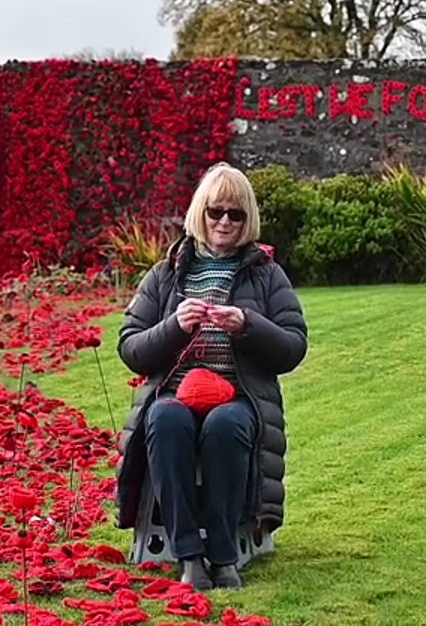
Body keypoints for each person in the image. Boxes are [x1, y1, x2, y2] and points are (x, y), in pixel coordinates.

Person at [114, 162, 308, 591]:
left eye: (235, 214)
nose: (224, 222)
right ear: (199, 213)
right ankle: (189, 556)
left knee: (225, 425)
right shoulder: (166, 272)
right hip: (173, 392)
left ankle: (223, 556)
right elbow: (130, 347)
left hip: (240, 396)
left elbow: (294, 346)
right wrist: (174, 326)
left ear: (247, 220)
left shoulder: (266, 273)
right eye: (215, 212)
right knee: (164, 421)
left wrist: (248, 324)